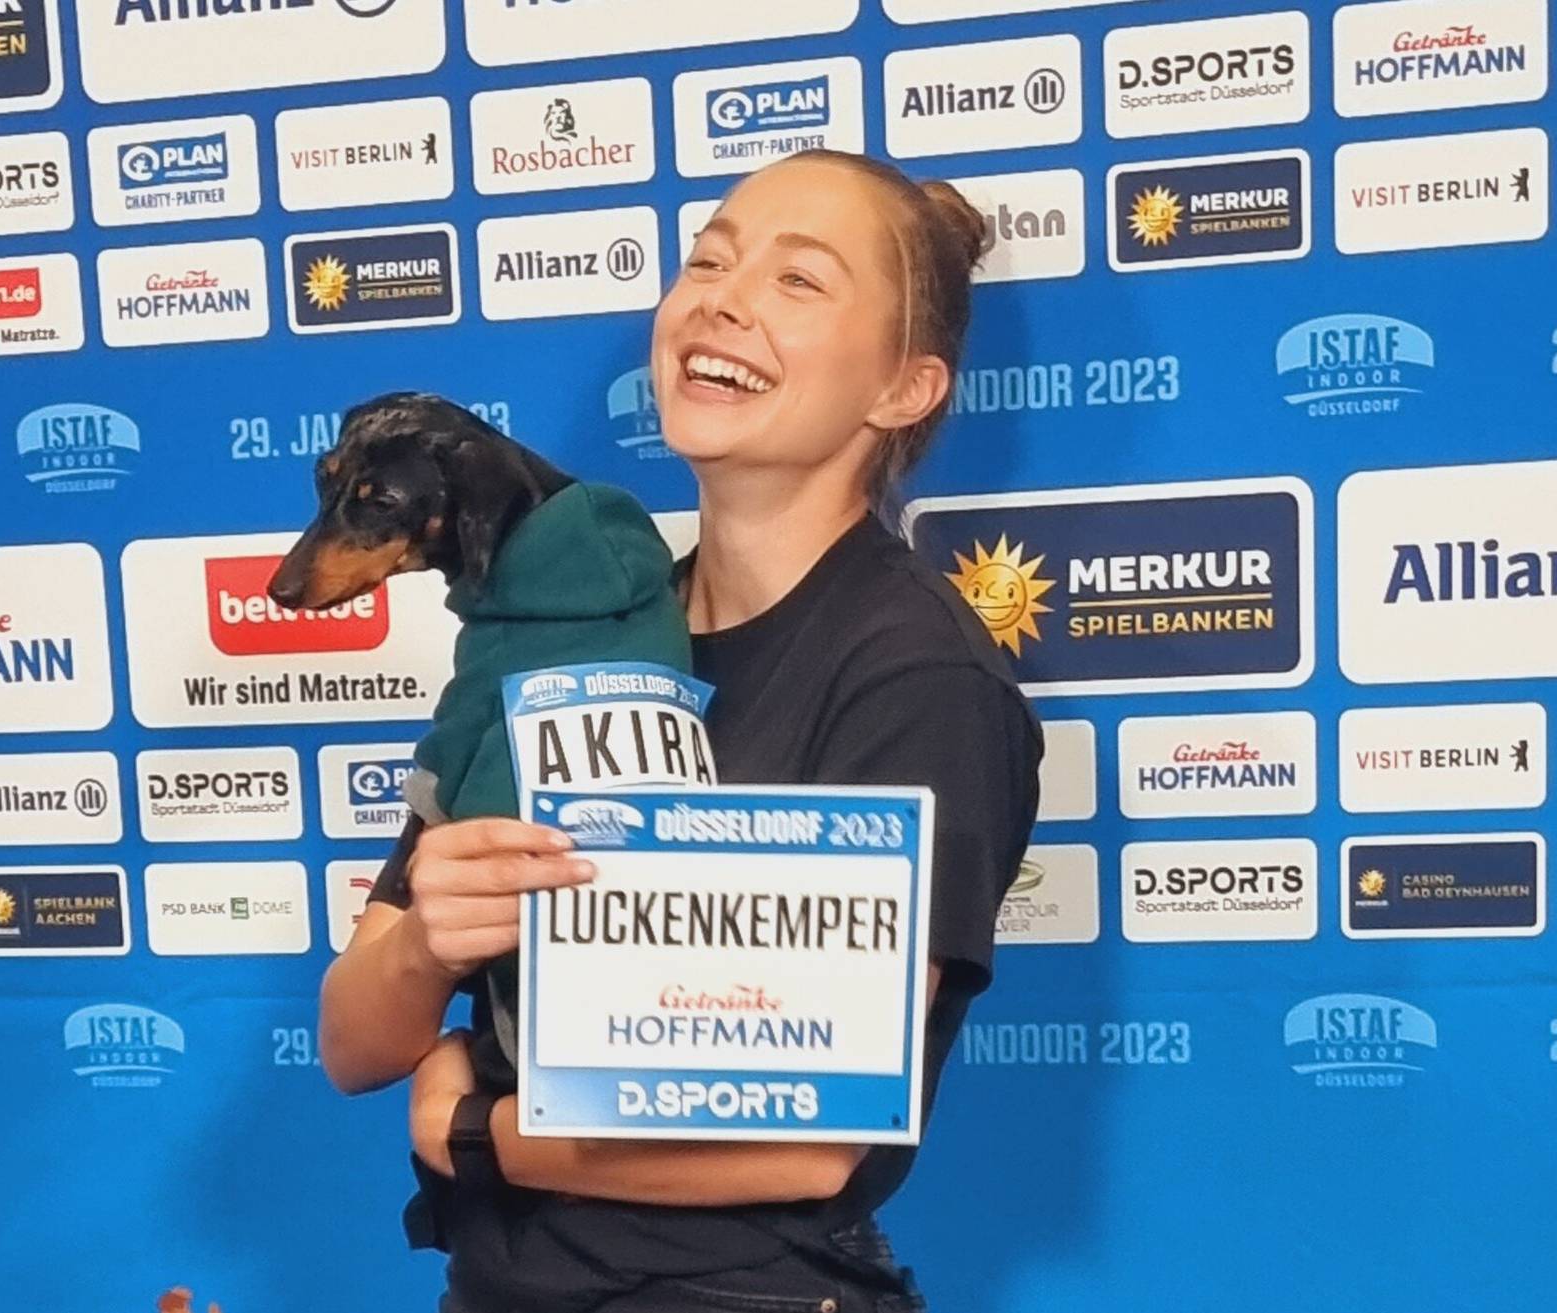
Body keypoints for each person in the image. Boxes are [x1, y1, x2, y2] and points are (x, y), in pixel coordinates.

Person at [318, 149, 1045, 1313]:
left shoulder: (918, 676)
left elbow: (804, 1147)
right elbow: (356, 1039)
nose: (724, 294)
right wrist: (424, 945)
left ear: (903, 389)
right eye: (709, 256)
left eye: (799, 281)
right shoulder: (575, 622)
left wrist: (471, 1126)